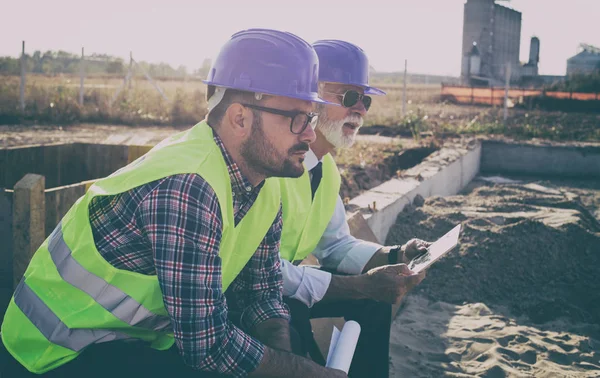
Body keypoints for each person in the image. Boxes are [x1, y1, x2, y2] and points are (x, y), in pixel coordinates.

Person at [0, 29, 346, 378]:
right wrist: (302, 372)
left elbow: (262, 294)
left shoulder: (265, 184)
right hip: (55, 353)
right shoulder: (189, 187)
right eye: (297, 119)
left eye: (312, 118)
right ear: (240, 118)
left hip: (128, 343)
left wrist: (285, 356)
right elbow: (208, 347)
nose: (310, 135)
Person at [278, 40, 430, 378]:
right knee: (293, 323)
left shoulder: (326, 170)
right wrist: (358, 285)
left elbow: (335, 246)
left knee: (373, 301)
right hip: (259, 294)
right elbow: (260, 271)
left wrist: (395, 255)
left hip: (286, 284)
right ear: (309, 96)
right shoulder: (274, 164)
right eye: (348, 97)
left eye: (365, 100)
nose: (359, 110)